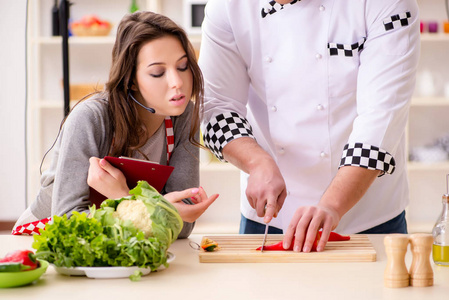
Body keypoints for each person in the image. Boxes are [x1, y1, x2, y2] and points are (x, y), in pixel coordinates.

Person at [199, 0, 420, 251]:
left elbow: (381, 118)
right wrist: (256, 162)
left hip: (368, 217)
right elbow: (217, 107)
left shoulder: (387, 3)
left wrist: (332, 205)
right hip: (269, 219)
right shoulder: (227, 6)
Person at [14, 11, 218, 238]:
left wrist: (125, 197)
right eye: (157, 72)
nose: (177, 82)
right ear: (131, 80)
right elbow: (67, 221)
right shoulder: (91, 118)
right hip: (45, 241)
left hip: (127, 242)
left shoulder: (183, 115)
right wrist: (136, 203)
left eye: (182, 67)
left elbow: (183, 226)